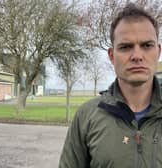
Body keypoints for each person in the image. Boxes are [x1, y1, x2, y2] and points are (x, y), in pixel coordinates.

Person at [59, 3, 162, 168]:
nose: (137, 56)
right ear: (112, 56)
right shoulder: (87, 116)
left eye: (146, 45)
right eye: (126, 47)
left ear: (158, 51)